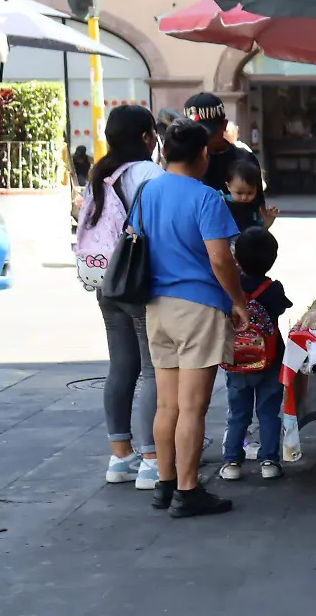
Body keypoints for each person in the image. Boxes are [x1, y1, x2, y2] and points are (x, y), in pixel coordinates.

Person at [136, 117, 250, 518]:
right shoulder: (206, 198)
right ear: (203, 155)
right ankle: (188, 490)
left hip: (157, 306)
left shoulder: (147, 193)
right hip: (198, 306)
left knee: (167, 404)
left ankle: (165, 483)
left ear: (165, 151)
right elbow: (221, 258)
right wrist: (238, 300)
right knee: (192, 407)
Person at [76, 105, 165, 489]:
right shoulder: (149, 174)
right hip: (137, 282)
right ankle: (151, 460)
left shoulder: (100, 174)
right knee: (152, 370)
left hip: (105, 281)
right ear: (147, 137)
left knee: (120, 366)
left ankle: (120, 458)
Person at [219, 227, 293, 482]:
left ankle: (232, 462)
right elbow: (281, 310)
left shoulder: (231, 286)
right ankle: (270, 460)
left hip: (237, 359)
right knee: (269, 412)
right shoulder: (272, 289)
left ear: (237, 258)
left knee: (238, 413)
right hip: (270, 361)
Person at [183, 93, 262, 198]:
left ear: (224, 126)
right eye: (193, 135)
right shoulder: (184, 160)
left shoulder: (244, 159)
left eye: (206, 135)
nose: (200, 141)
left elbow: (258, 206)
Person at [224, 159, 278, 233]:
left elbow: (260, 228)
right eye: (239, 193)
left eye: (250, 193)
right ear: (228, 186)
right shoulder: (222, 201)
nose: (244, 197)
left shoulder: (255, 207)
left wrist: (268, 220)